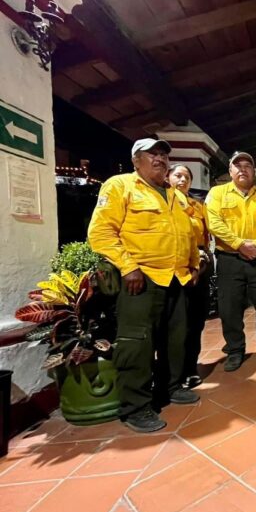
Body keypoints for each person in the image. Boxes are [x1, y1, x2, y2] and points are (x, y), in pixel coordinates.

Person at [88, 138, 200, 433]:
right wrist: (128, 267)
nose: (160, 158)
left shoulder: (175, 195)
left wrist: (193, 265)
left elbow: (187, 234)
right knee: (137, 343)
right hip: (141, 278)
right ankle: (135, 407)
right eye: (152, 154)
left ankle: (170, 387)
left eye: (164, 154)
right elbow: (100, 233)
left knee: (175, 339)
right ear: (136, 160)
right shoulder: (120, 186)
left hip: (176, 277)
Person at [206, 151, 256, 372]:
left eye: (247, 165)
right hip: (229, 259)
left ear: (254, 171)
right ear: (230, 171)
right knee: (229, 307)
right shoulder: (217, 193)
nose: (242, 169)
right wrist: (239, 244)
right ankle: (235, 350)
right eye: (237, 166)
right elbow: (213, 222)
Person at [167, 164, 211, 389]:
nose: (182, 180)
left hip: (199, 265)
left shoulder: (197, 205)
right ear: (168, 178)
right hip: (174, 267)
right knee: (176, 323)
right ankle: (172, 373)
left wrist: (204, 258)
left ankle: (190, 368)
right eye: (177, 175)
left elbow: (206, 234)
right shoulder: (164, 202)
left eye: (186, 177)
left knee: (196, 319)